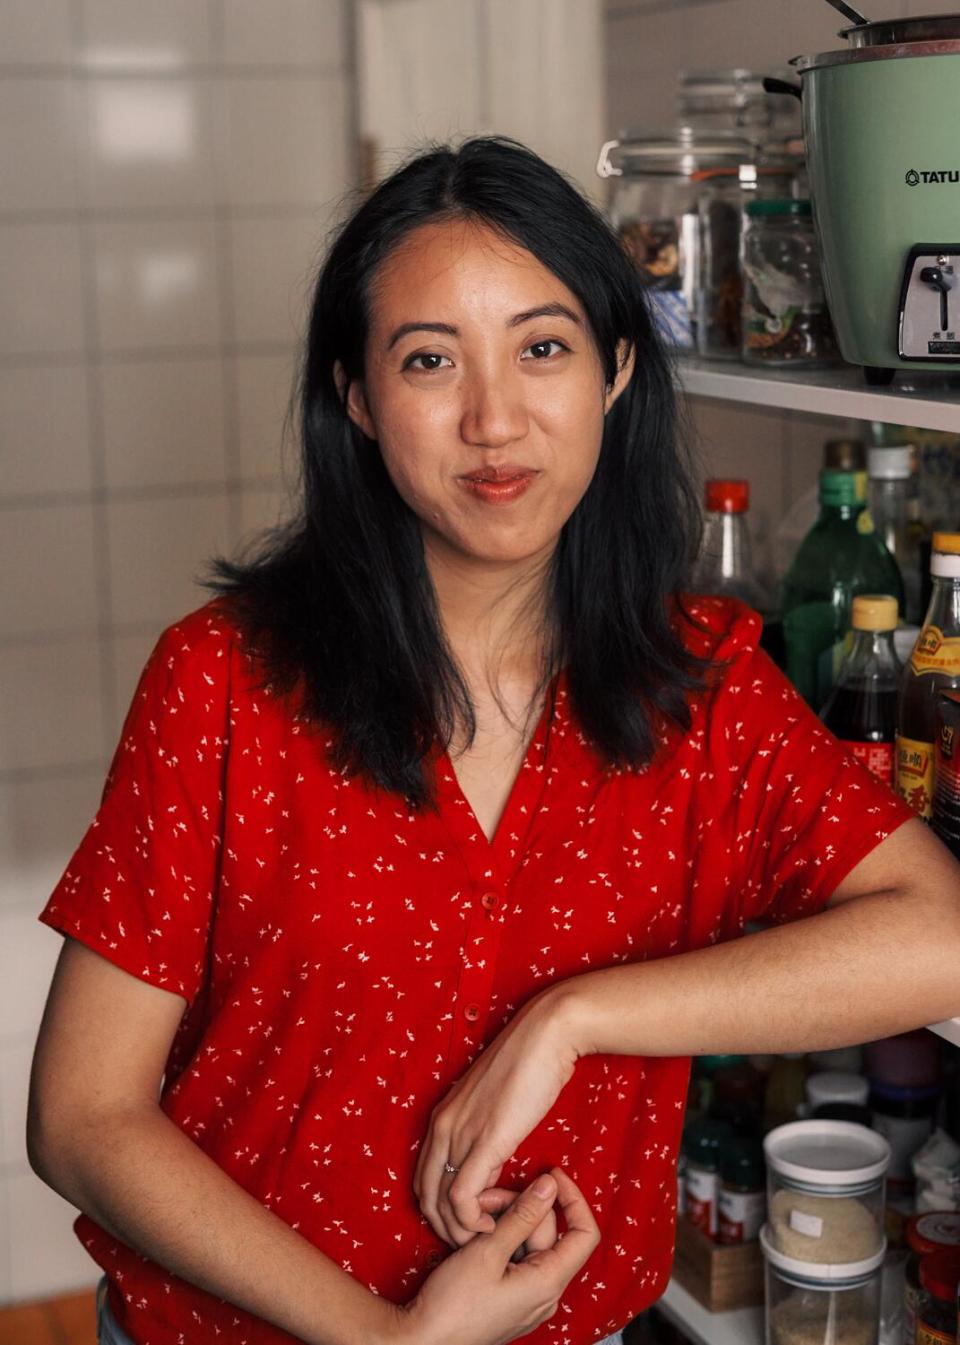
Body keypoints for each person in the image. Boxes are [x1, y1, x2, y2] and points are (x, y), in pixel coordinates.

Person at [26, 135, 960, 1345]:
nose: (494, 419)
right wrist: (393, 1340)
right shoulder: (225, 682)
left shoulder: (706, 690)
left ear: (616, 370)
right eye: (429, 360)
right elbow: (82, 1116)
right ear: (356, 396)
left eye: (543, 348)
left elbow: (941, 936)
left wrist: (573, 1018)